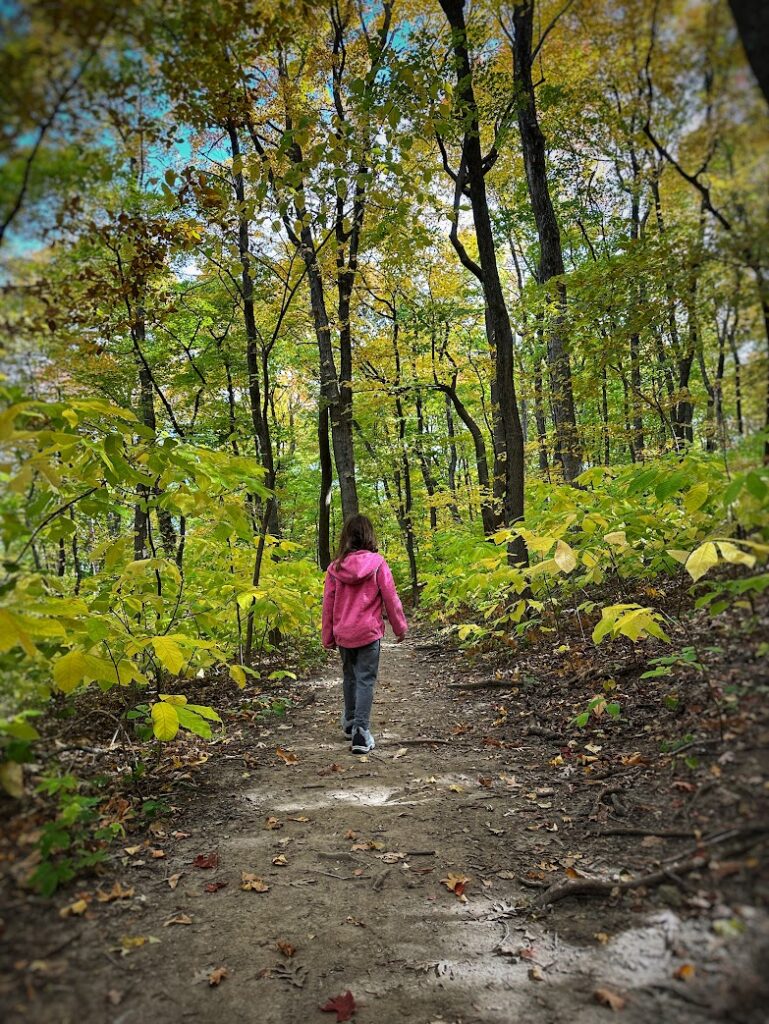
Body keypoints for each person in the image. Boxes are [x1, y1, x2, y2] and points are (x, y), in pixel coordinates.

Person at [321, 514, 408, 754]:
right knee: (365, 679)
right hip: (368, 634)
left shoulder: (335, 568)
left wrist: (327, 636)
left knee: (350, 677)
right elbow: (390, 597)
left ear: (346, 538)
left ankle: (350, 722)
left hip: (344, 635)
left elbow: (328, 605)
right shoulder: (378, 563)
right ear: (369, 535)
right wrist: (399, 627)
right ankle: (360, 732)